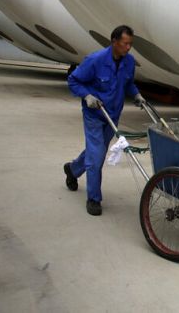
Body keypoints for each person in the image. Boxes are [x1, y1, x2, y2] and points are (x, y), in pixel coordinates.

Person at [63, 25, 146, 215]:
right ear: (114, 41)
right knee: (97, 155)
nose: (128, 48)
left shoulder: (129, 62)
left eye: (130, 44)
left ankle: (73, 169)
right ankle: (93, 199)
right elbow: (74, 80)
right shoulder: (95, 60)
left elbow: (128, 83)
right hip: (94, 114)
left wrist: (137, 95)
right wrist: (87, 96)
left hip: (113, 116)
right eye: (125, 44)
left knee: (96, 151)